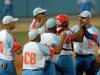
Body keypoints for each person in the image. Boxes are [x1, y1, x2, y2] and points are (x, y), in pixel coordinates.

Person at [71, 10, 99, 75]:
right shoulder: (75, 28)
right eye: (80, 17)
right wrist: (72, 50)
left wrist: (98, 57)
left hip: (90, 58)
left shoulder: (95, 31)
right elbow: (69, 40)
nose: (81, 19)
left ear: (89, 18)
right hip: (77, 57)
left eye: (83, 18)